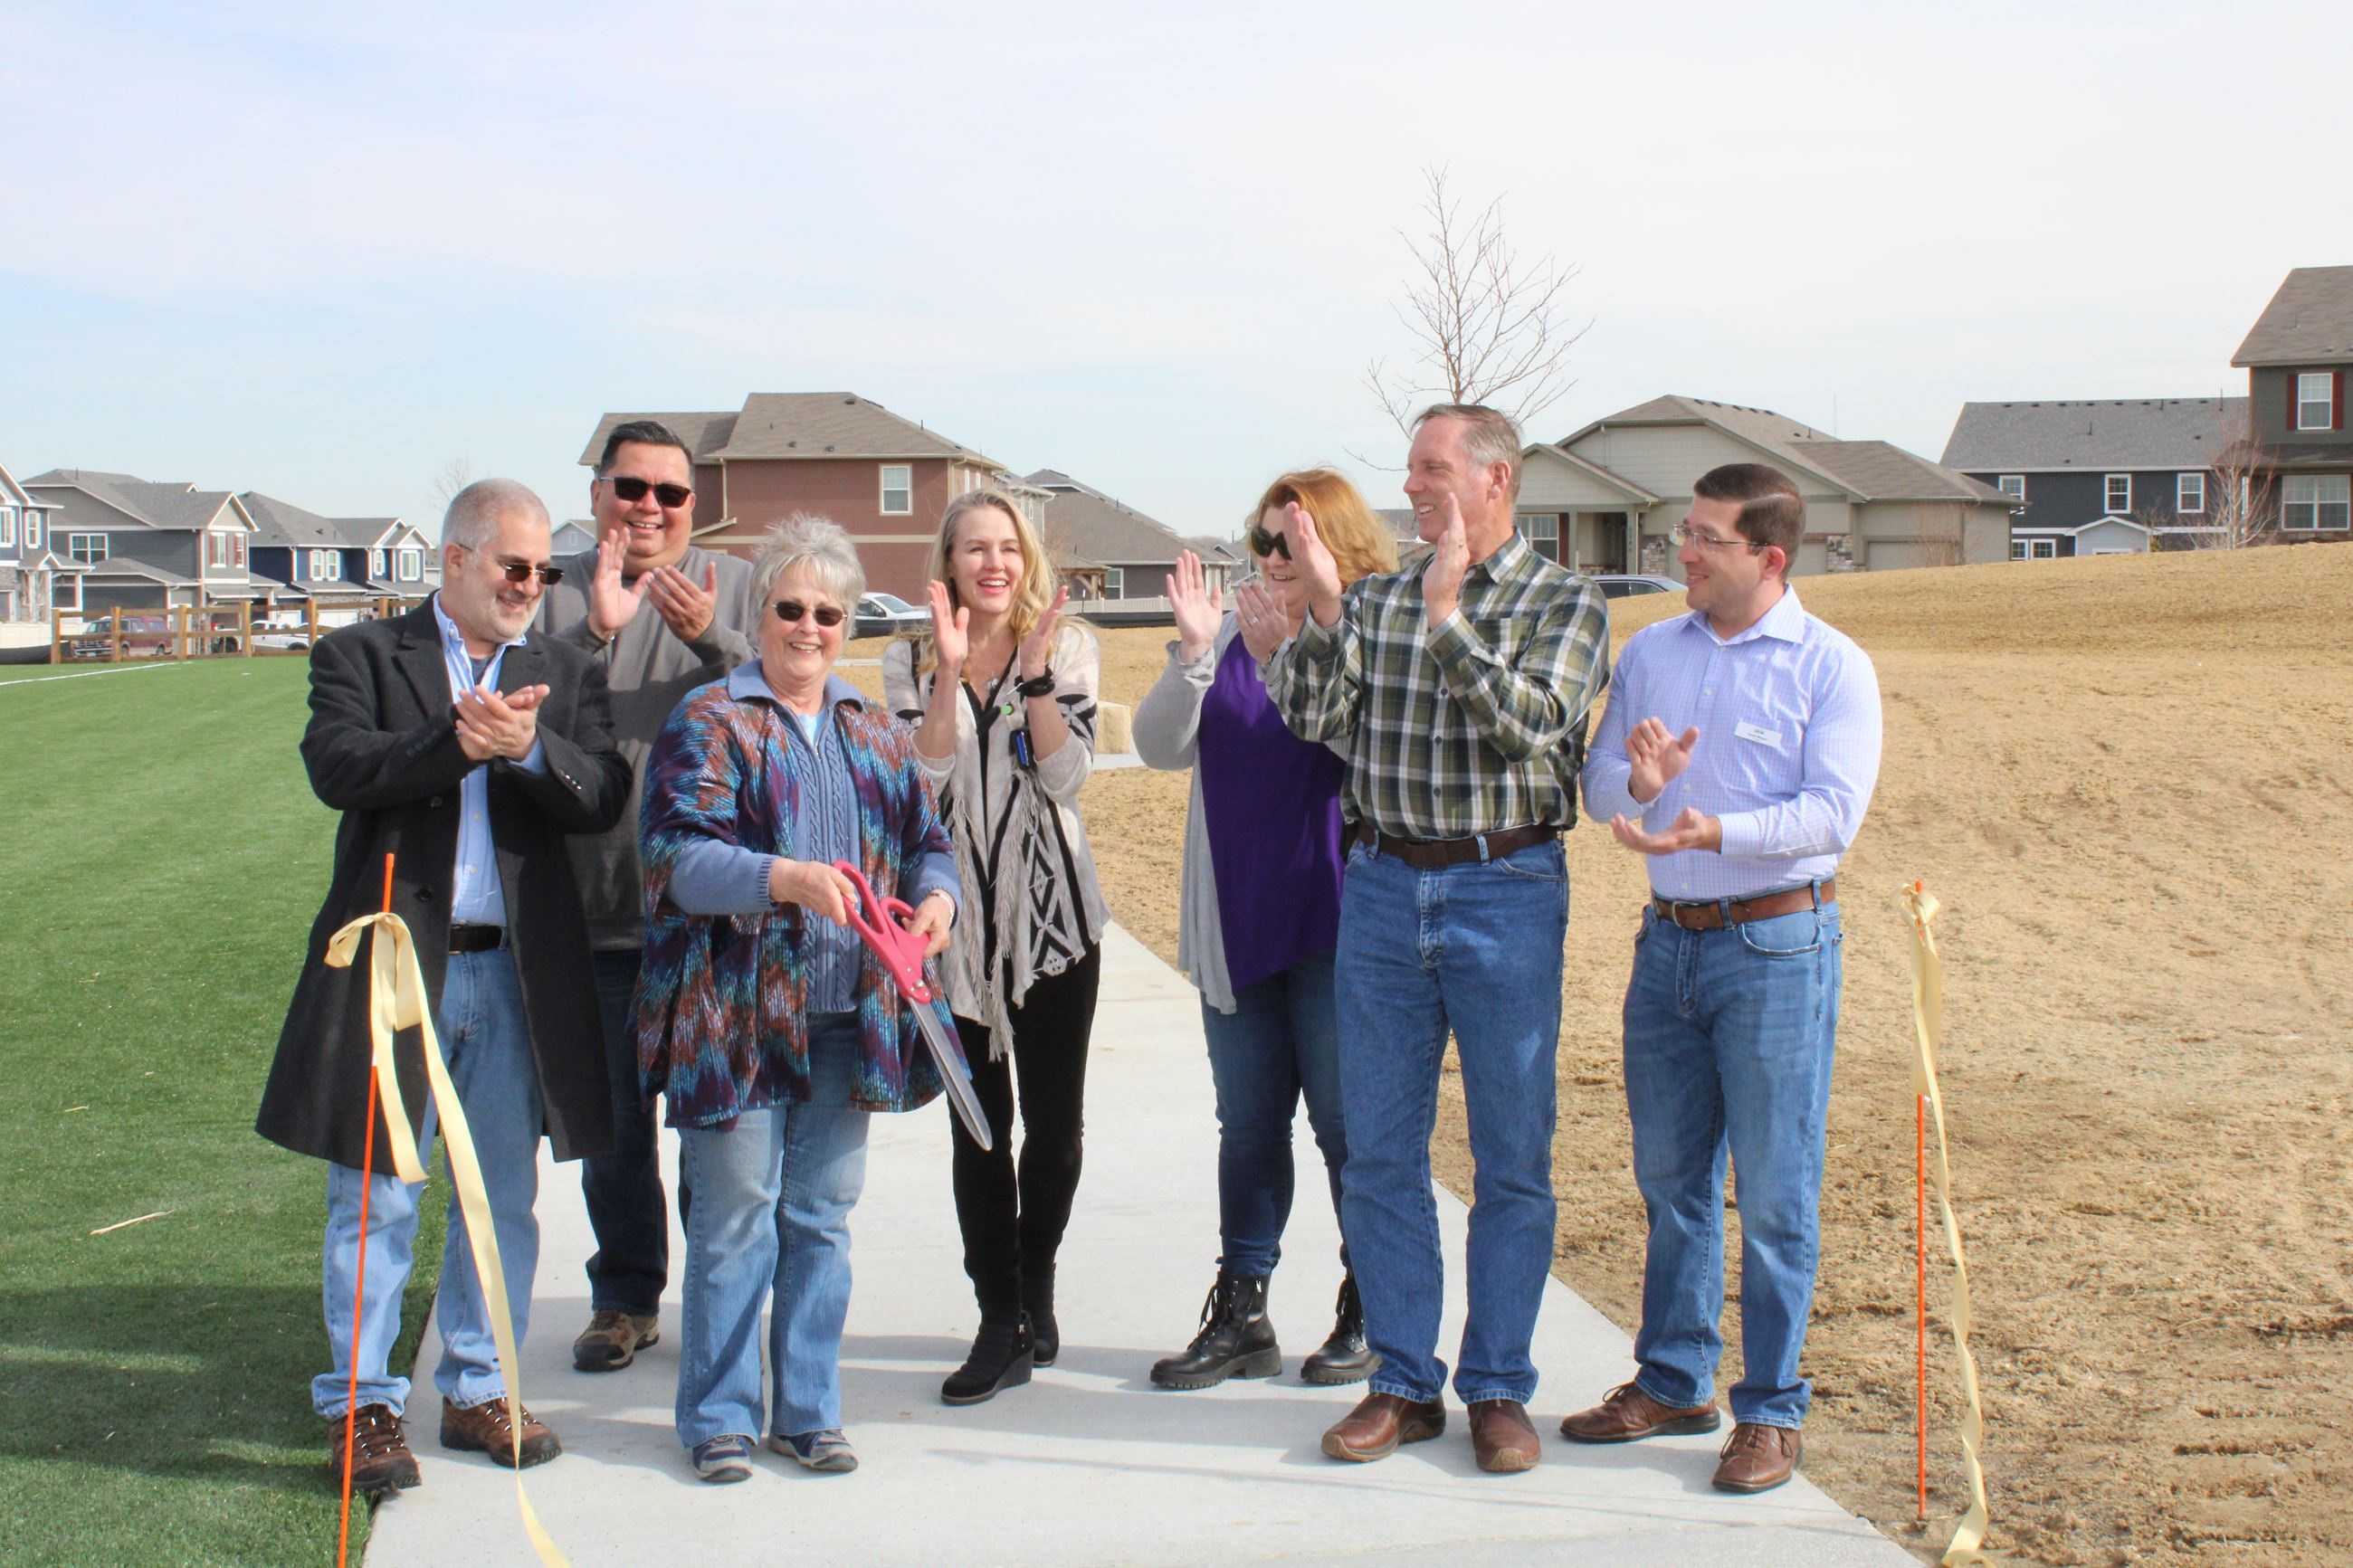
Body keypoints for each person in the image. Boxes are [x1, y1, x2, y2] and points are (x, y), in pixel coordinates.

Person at [257, 479, 630, 1496]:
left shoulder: (562, 666)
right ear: (455, 558)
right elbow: (339, 765)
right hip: (394, 969)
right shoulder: (362, 656)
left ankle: (477, 1385)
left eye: (542, 572)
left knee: (497, 1195)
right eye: (515, 566)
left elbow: (601, 794)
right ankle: (363, 1403)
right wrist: (455, 740)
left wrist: (529, 751)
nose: (530, 585)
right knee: (374, 1194)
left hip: (514, 977)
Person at [1262, 404, 1609, 1475]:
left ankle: (1497, 1384)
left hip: (1504, 888)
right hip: (1378, 891)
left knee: (1511, 1154)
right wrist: (1323, 608)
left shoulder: (1567, 599)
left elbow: (1523, 723)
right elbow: (1314, 719)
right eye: (1410, 468)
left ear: (1493, 479)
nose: (1409, 485)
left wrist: (1447, 612)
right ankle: (1403, 1380)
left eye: (1429, 468)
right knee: (1379, 1151)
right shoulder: (1372, 597)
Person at [1561, 462, 1881, 1496]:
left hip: (1777, 949)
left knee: (1776, 1190)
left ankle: (1771, 1407)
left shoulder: (1830, 666)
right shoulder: (1652, 649)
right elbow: (1601, 773)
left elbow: (1830, 817)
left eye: (1704, 538)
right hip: (1668, 947)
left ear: (1769, 556)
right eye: (1681, 534)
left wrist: (1715, 829)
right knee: (1670, 1180)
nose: (1683, 554)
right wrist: (1638, 785)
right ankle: (1673, 1379)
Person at [634, 514, 962, 1482]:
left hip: (848, 1016)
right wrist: (780, 875)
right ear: (758, 611)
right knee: (737, 1213)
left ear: (848, 622)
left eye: (828, 611)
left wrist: (937, 897)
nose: (809, 626)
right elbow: (673, 858)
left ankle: (809, 1409)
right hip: (734, 1016)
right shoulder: (709, 719)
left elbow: (925, 838)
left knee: (820, 1215)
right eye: (790, 607)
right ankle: (720, 1416)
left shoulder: (873, 726)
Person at [1130, 470, 1396, 1391]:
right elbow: (1159, 747)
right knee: (1246, 1126)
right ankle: (1242, 1311)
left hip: (1335, 923)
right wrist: (1194, 654)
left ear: (1336, 544)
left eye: (1290, 539)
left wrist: (1297, 644)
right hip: (1235, 922)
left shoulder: (1364, 632)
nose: (1270, 557)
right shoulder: (1228, 640)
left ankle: (1370, 1303)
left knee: (1343, 1128)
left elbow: (1358, 743)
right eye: (1261, 540)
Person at [537, 419, 759, 1373]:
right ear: (595, 494)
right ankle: (625, 1295)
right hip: (593, 907)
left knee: (718, 1128)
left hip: (711, 912)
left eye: (671, 493)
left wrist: (708, 636)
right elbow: (523, 720)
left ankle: (721, 1298)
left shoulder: (741, 588)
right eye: (631, 488)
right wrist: (595, 631)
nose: (650, 508)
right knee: (615, 1129)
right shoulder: (547, 592)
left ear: (693, 505)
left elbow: (781, 695)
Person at [882, 488, 1107, 1406]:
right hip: (951, 935)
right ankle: (997, 1313)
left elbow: (1065, 773)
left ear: (1025, 559)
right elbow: (924, 773)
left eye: (1006, 547)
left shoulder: (1068, 643)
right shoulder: (904, 654)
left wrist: (1040, 676)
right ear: (946, 562)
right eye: (972, 547)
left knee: (1051, 1129)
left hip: (1053, 927)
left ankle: (1035, 1276)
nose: (992, 563)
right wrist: (945, 669)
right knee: (978, 1126)